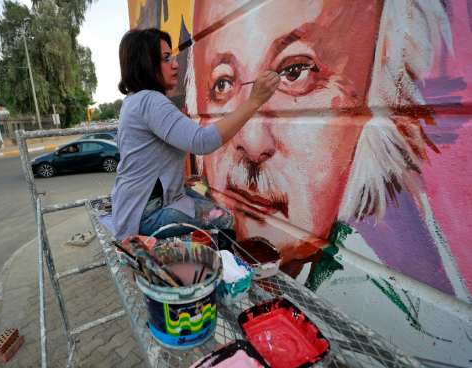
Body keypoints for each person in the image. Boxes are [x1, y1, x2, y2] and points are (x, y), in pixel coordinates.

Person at [185, 0, 469, 299]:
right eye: (222, 83)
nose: (253, 142)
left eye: (294, 72)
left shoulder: (409, 306)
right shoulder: (208, 238)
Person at [111, 28, 280, 240]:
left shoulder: (133, 100)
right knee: (223, 218)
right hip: (147, 212)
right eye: (165, 58)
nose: (175, 63)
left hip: (134, 202)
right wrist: (255, 101)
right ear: (146, 63)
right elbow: (202, 141)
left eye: (172, 56)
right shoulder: (151, 101)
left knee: (204, 194)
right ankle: (218, 270)